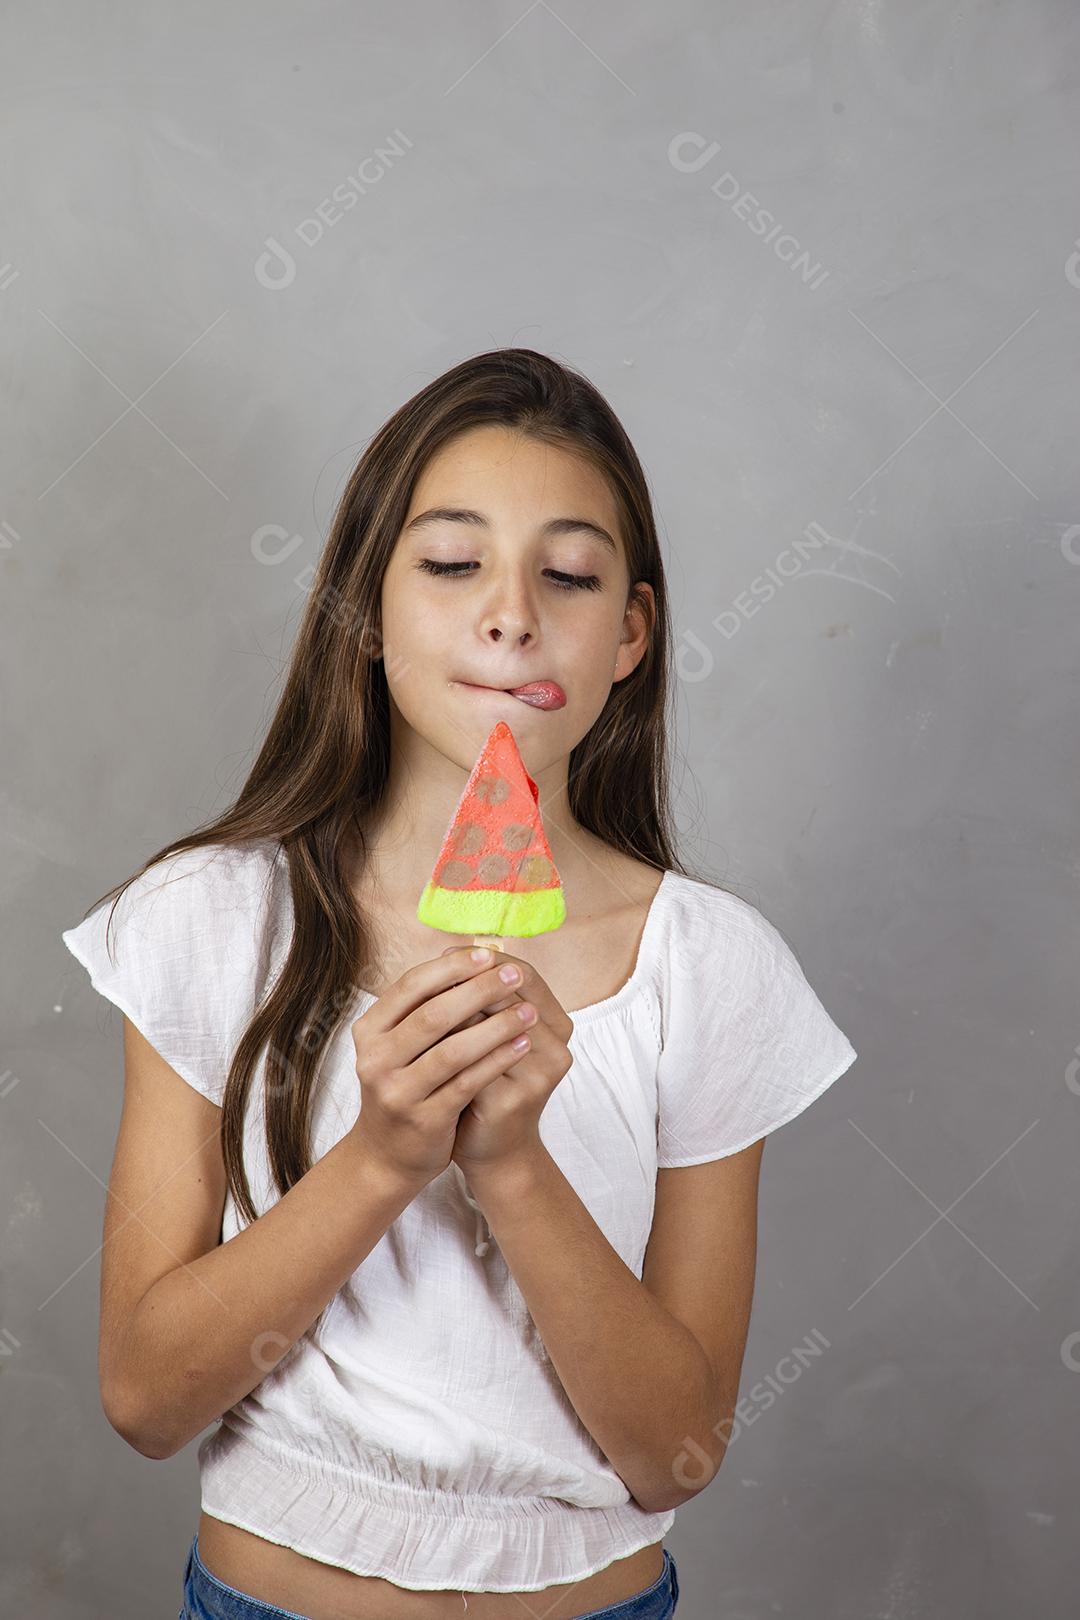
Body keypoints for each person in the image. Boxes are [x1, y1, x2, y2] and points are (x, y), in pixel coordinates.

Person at [60, 348, 857, 1620]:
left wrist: (512, 1165)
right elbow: (147, 1403)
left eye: (570, 574)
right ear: (368, 615)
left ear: (632, 635)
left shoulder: (712, 966)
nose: (511, 613)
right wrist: (382, 1155)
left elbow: (678, 1453)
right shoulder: (208, 920)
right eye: (450, 563)